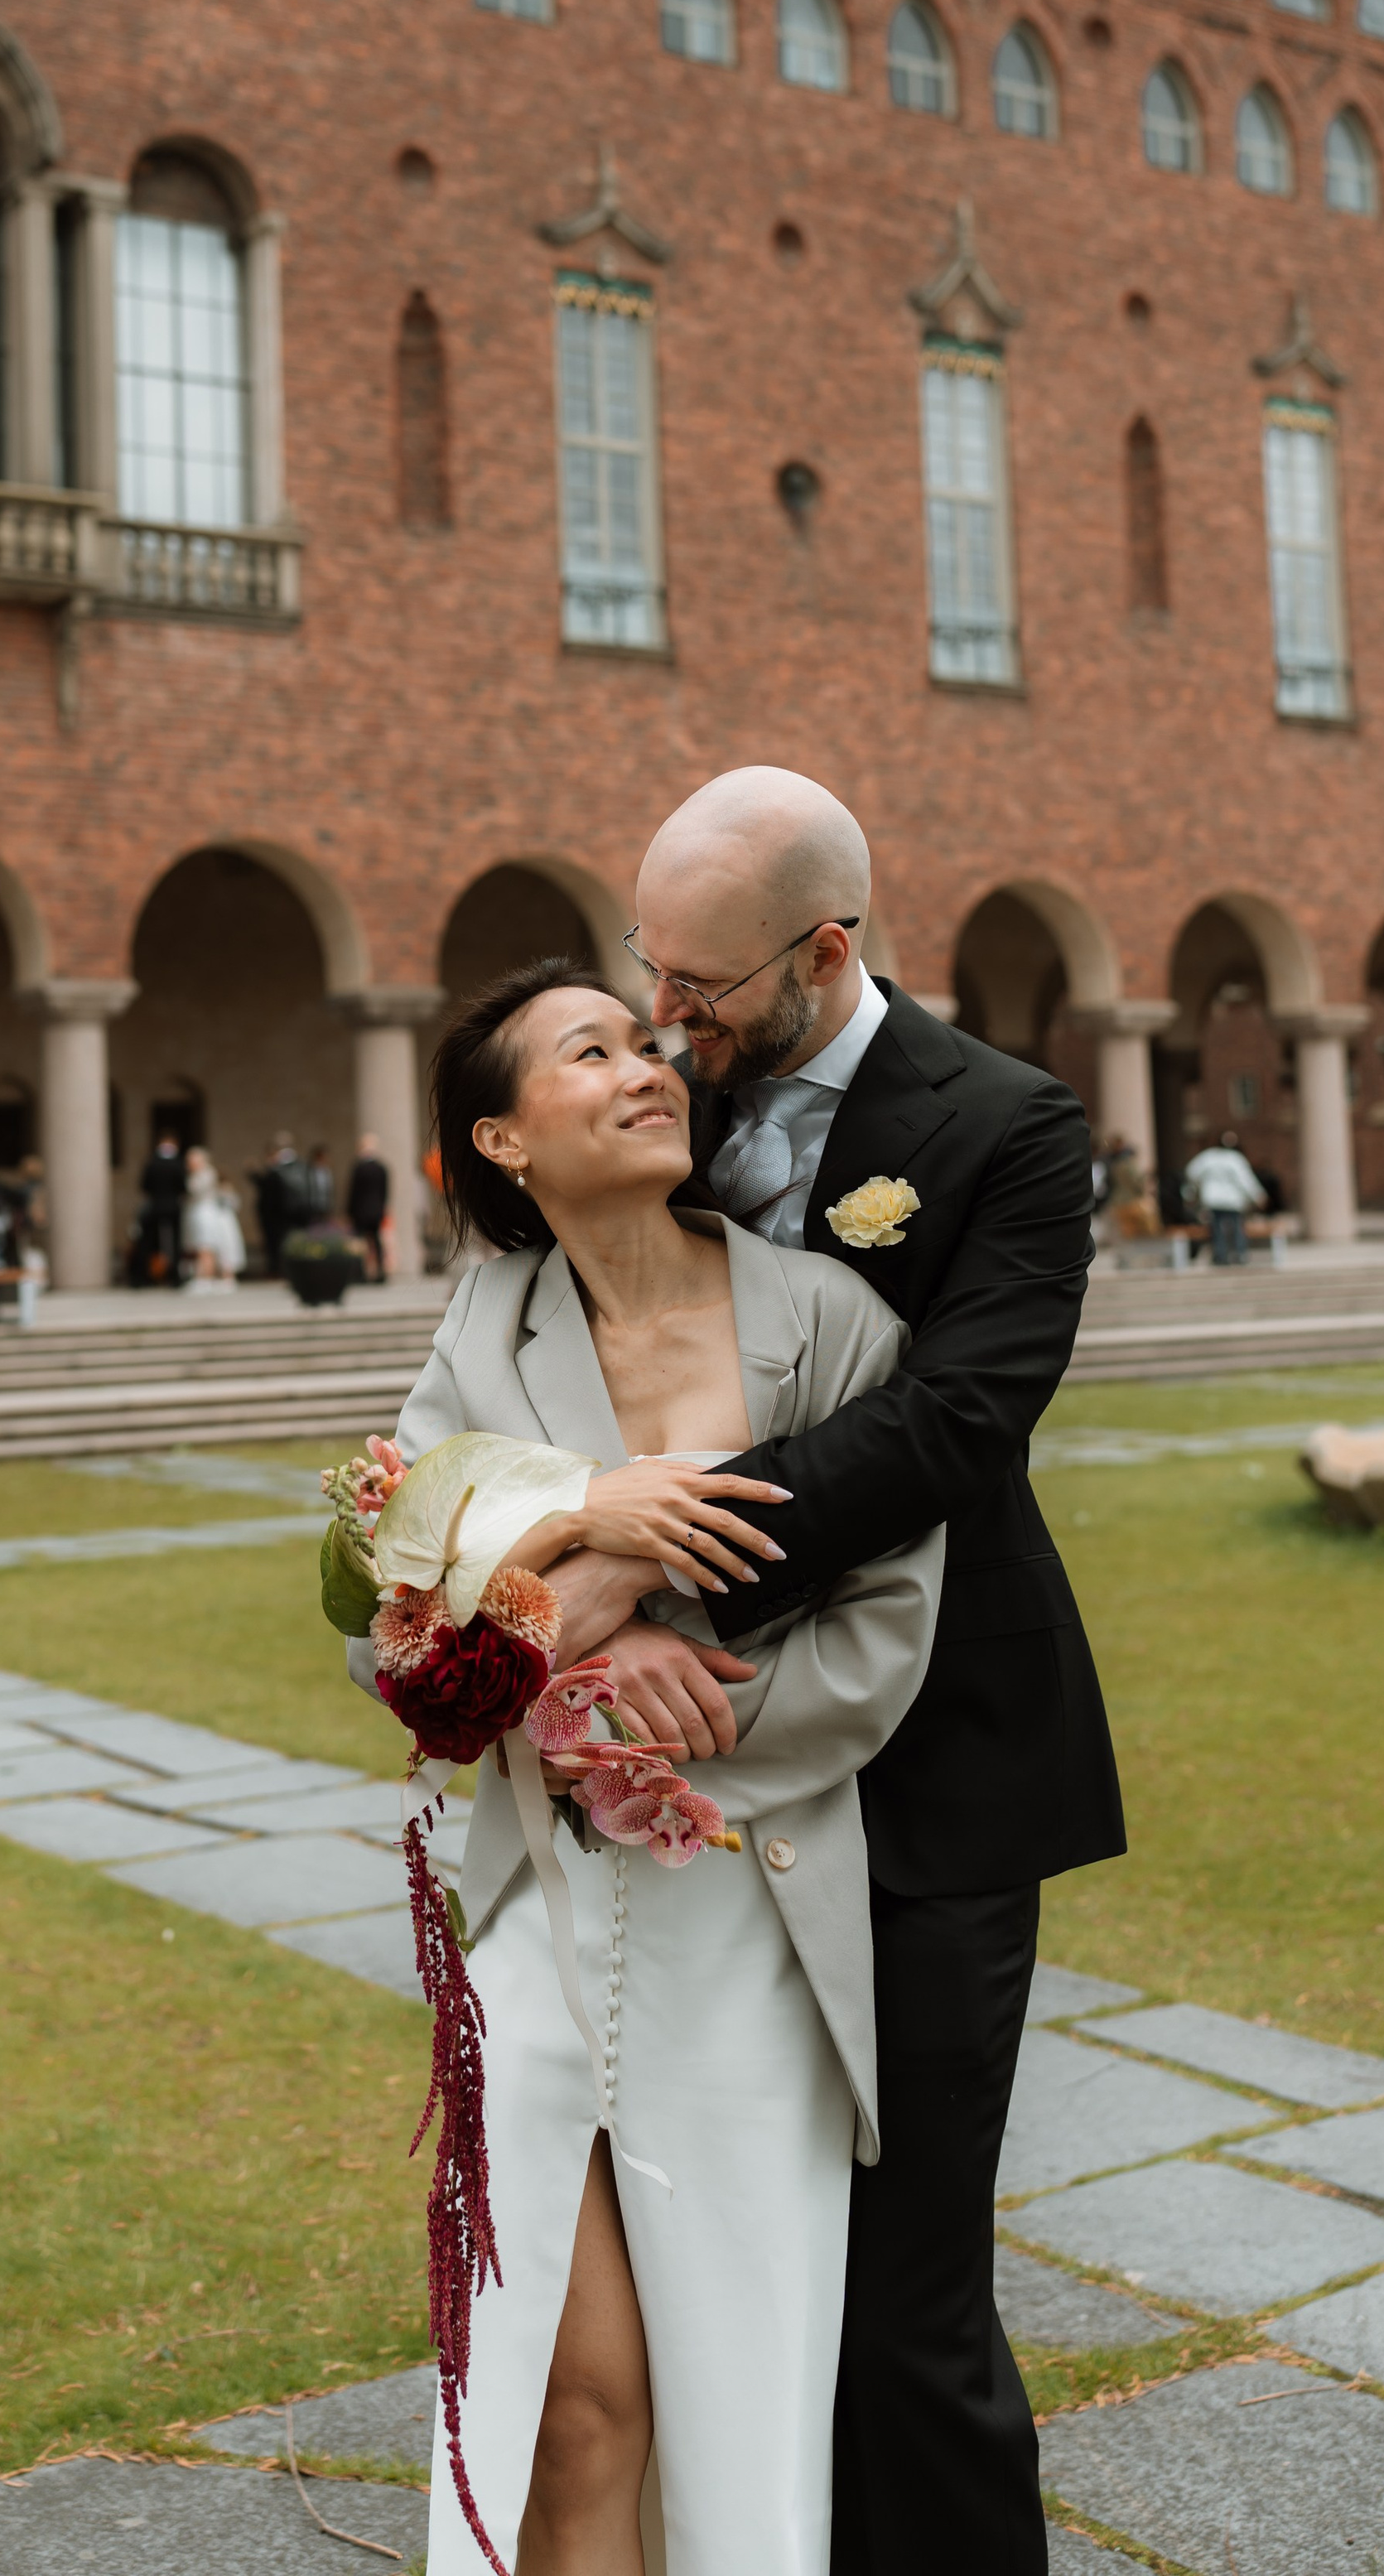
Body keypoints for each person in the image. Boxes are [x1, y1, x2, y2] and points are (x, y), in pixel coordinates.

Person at [524, 768, 1123, 2576]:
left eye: (696, 984)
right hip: (680, 1794)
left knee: (910, 2284)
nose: (660, 1017)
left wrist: (660, 1553)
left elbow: (950, 1426)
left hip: (935, 1759)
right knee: (730, 2271)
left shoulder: (1007, 1127)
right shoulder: (659, 1098)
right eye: (647, 970)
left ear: (827, 949)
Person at [374, 960, 938, 2575]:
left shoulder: (828, 1321)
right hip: (532, 1919)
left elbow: (884, 1630)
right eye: (588, 1052)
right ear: (499, 1136)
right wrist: (577, 1541)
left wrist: (674, 1717)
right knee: (566, 2407)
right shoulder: (485, 1327)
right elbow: (387, 1633)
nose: (644, 1068)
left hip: (747, 1922)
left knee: (742, 2403)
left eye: (645, 1042)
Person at [1184, 1130, 1268, 1266]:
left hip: (1213, 1199)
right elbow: (1246, 1180)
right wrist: (1258, 1195)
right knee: (1236, 1228)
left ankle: (1220, 1255)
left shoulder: (1208, 1157)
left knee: (1217, 1228)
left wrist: (1193, 1191)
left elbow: (1192, 1173)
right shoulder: (1235, 1159)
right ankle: (1239, 1254)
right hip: (1233, 1201)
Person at [182, 1144, 245, 1285]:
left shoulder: (207, 1174)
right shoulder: (197, 1174)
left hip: (206, 1215)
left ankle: (206, 1277)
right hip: (199, 1213)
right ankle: (204, 1276)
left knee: (206, 1245)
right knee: (201, 1246)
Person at [257, 1135, 309, 1276]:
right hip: (301, 1212)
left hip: (279, 1215)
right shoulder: (303, 1166)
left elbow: (268, 1196)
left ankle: (282, 1271)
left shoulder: (275, 1170)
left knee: (280, 1244)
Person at [138, 1134, 187, 1281]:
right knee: (175, 1242)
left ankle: (143, 1277)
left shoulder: (151, 1162)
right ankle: (175, 1277)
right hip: (173, 1206)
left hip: (155, 1205)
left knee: (148, 1241)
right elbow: (183, 1186)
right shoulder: (178, 1163)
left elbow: (144, 1186)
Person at [346, 1130, 390, 1277]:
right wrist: (383, 1207)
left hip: (361, 1211)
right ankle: (380, 1269)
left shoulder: (359, 1168)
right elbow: (385, 1192)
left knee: (360, 1241)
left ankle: (359, 1271)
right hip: (377, 1210)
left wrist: (349, 1211)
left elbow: (354, 1192)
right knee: (376, 1239)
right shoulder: (382, 1168)